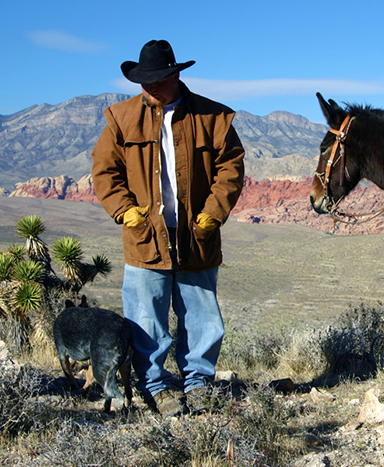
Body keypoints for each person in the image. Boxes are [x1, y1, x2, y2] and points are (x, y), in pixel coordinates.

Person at [91, 39, 245, 416]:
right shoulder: (120, 118)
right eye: (144, 79)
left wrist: (213, 212)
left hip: (197, 237)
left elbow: (231, 168)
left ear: (175, 74)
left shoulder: (214, 117)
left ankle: (198, 384)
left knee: (202, 318)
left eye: (158, 77)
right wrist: (124, 211)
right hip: (145, 238)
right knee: (146, 320)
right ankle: (154, 387)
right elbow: (104, 171)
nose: (150, 85)